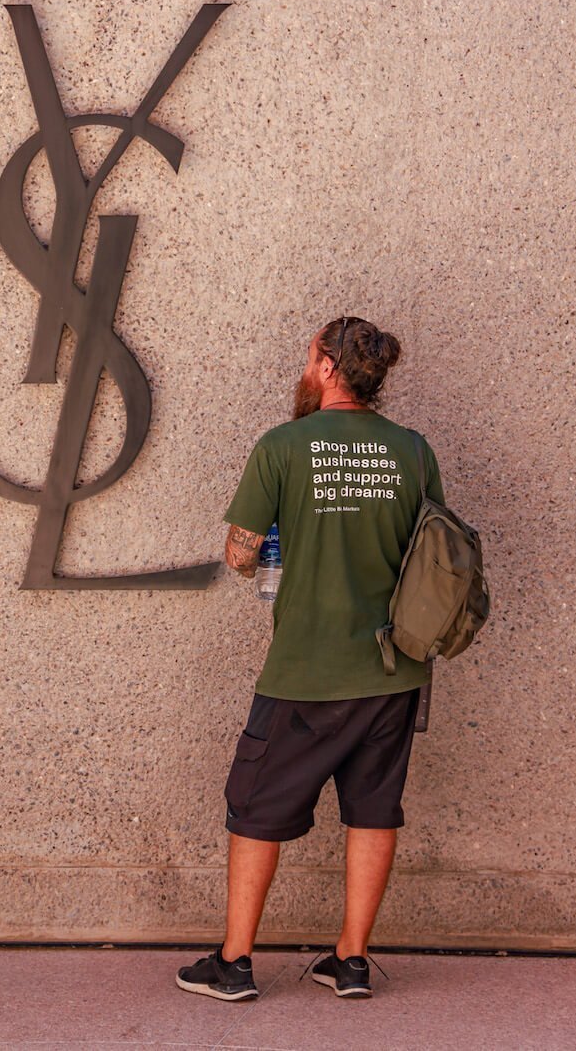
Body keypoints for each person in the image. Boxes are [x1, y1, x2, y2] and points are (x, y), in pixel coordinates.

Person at [176, 316, 444, 1002]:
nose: (304, 368)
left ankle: (235, 964)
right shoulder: (413, 452)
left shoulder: (284, 447)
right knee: (374, 808)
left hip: (305, 669)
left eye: (308, 358)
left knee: (255, 808)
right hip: (393, 668)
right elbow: (434, 554)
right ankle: (351, 961)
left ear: (328, 367)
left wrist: (272, 547)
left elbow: (239, 553)